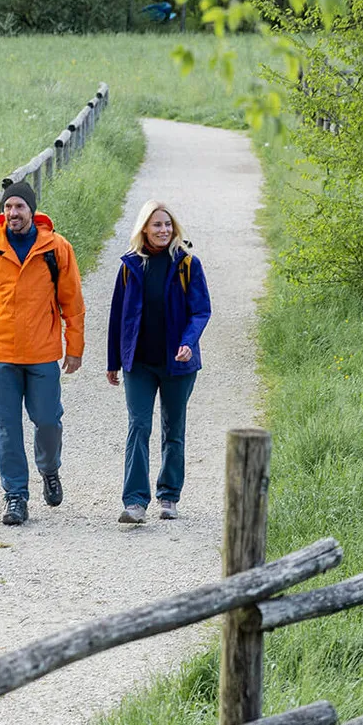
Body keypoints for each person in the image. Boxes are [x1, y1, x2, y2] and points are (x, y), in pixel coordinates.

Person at [0, 180, 85, 525]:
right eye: (7, 208)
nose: (13, 213)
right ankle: (15, 495)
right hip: (0, 352)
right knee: (6, 428)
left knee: (47, 420)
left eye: (19, 207)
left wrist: (73, 347)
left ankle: (49, 468)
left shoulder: (56, 249)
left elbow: (72, 304)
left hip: (43, 352)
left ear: (32, 210)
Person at [106, 200, 211, 523]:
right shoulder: (130, 267)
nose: (163, 230)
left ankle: (169, 495)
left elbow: (200, 311)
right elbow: (117, 317)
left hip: (177, 364)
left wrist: (188, 342)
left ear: (174, 228)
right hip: (139, 363)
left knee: (173, 429)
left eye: (167, 224)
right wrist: (114, 361)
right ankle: (135, 502)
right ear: (144, 229)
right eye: (157, 225)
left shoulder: (188, 265)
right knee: (138, 426)